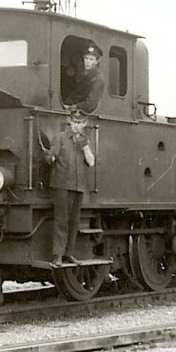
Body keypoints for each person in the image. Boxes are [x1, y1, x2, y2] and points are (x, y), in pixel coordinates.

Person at [44, 110, 95, 265]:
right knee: (62, 220)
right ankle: (57, 256)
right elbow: (50, 157)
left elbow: (91, 162)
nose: (77, 126)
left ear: (84, 123)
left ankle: (68, 253)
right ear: (69, 122)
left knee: (74, 221)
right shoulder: (60, 137)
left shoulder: (85, 141)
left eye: (80, 123)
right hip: (62, 185)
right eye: (75, 122)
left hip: (78, 186)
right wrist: (51, 157)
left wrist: (85, 146)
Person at [63, 44, 104, 114]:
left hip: (81, 112)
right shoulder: (81, 71)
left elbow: (90, 104)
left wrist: (73, 107)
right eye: (86, 58)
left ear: (97, 61)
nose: (88, 62)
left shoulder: (98, 79)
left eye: (91, 59)